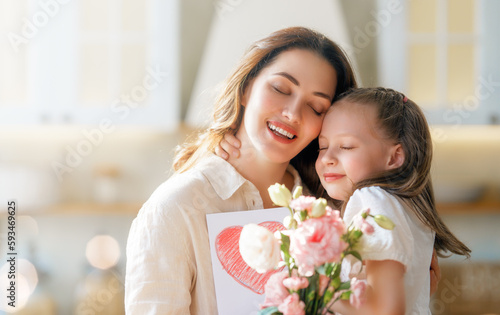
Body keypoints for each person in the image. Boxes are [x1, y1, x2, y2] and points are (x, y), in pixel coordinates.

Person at [124, 26, 357, 314]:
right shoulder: (176, 208)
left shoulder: (329, 213)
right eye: (280, 89)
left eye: (316, 107)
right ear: (246, 88)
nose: (293, 114)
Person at [313, 87, 471, 314]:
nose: (327, 158)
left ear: (395, 156)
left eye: (346, 146)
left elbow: (386, 310)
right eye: (323, 146)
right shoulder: (409, 208)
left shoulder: (371, 202)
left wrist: (317, 292)